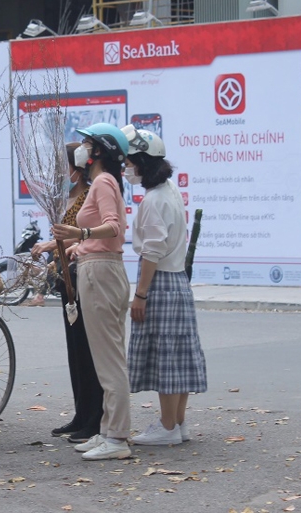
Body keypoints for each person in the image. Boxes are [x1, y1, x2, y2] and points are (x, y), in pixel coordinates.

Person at [121, 125, 207, 446]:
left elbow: (152, 252)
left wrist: (140, 294)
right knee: (179, 354)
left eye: (131, 161)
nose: (128, 167)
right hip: (177, 283)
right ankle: (178, 423)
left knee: (166, 357)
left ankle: (167, 426)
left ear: (144, 162)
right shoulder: (169, 190)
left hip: (160, 284)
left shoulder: (155, 201)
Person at [52, 122, 133, 461]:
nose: (81, 149)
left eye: (86, 143)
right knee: (105, 359)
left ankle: (116, 437)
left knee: (109, 361)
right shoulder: (106, 181)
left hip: (100, 272)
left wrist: (79, 233)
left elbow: (114, 227)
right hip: (96, 267)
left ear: (98, 150)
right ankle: (107, 430)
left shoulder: (102, 181)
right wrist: (76, 245)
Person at [30, 142, 105, 443]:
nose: (61, 172)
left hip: (83, 274)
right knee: (74, 350)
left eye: (64, 166)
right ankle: (80, 413)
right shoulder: (65, 197)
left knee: (88, 350)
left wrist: (51, 245)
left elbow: (83, 236)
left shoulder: (89, 196)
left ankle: (94, 419)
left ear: (77, 167)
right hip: (66, 279)